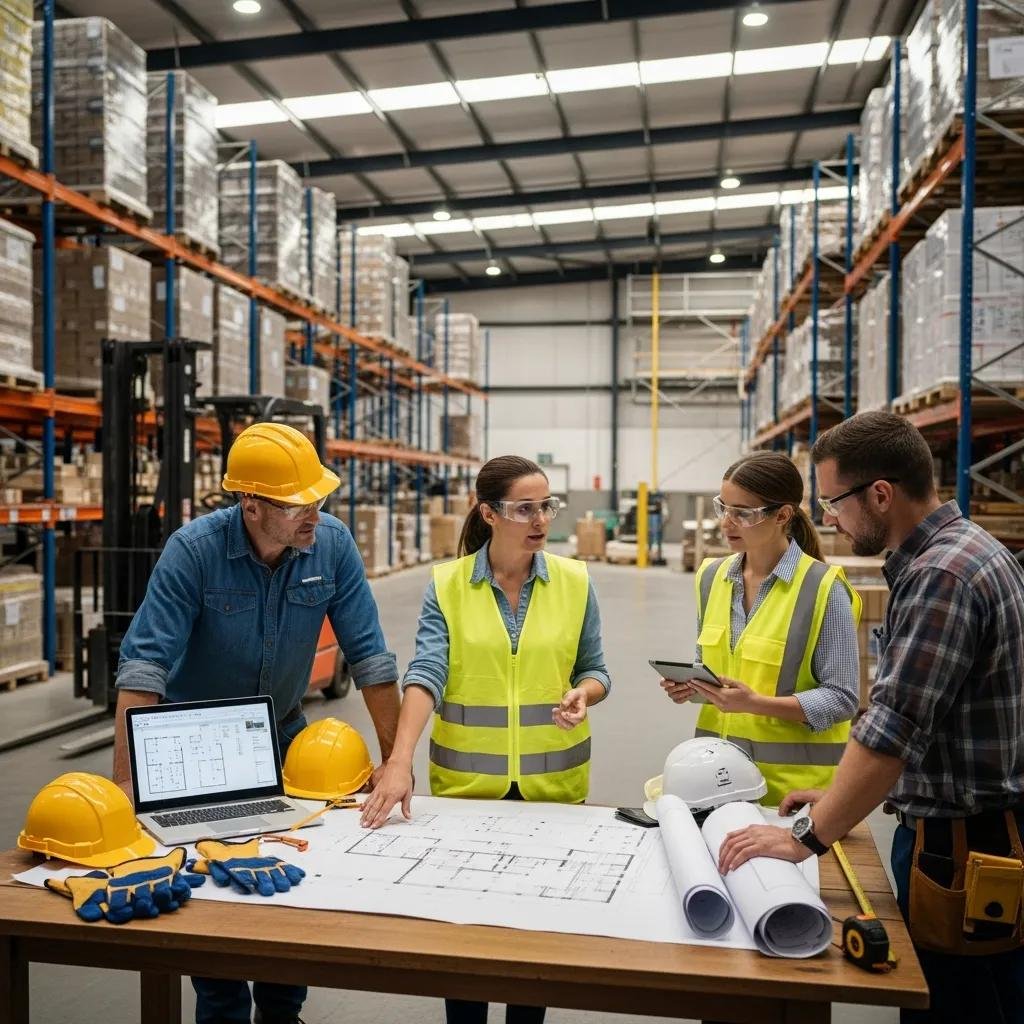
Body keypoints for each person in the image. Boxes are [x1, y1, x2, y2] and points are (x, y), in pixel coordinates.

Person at [716, 411, 1024, 1024]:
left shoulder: (941, 576)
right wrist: (836, 792)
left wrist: (806, 836)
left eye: (833, 502)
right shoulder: (973, 552)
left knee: (959, 1005)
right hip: (982, 831)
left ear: (880, 494)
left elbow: (892, 731)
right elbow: (944, 722)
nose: (827, 518)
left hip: (961, 849)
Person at [112, 422, 401, 1024]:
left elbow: (371, 657)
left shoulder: (333, 546)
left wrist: (395, 761)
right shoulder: (193, 551)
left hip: (283, 733)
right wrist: (125, 787)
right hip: (193, 742)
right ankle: (221, 1010)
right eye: (300, 504)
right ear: (251, 504)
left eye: (320, 499)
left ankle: (281, 1009)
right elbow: (144, 667)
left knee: (292, 875)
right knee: (211, 888)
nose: (314, 515)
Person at [360, 454, 611, 1024]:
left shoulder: (575, 581)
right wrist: (399, 760)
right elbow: (426, 674)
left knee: (532, 958)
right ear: (489, 513)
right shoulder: (448, 586)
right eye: (525, 508)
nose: (540, 519)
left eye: (547, 505)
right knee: (466, 953)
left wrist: (585, 694)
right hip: (467, 794)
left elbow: (596, 668)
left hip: (553, 791)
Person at [660, 451, 861, 807]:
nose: (726, 524)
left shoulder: (824, 589)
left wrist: (755, 704)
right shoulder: (711, 577)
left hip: (790, 796)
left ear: (782, 515)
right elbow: (717, 670)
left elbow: (842, 699)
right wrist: (692, 686)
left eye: (743, 514)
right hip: (717, 787)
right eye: (724, 508)